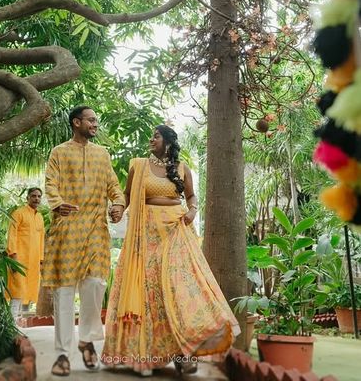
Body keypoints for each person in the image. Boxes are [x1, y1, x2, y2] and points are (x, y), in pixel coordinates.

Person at [102, 125, 240, 377]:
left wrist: (192, 211)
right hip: (145, 233)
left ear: (167, 141)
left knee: (180, 289)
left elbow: (192, 197)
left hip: (176, 231)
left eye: (155, 136)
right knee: (148, 290)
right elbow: (126, 194)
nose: (151, 139)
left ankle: (184, 352)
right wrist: (119, 209)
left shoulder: (181, 167)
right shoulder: (138, 165)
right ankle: (144, 355)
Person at [42, 105, 125, 377]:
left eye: (96, 121)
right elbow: (50, 183)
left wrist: (118, 204)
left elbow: (114, 185)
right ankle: (63, 354)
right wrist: (57, 203)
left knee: (95, 286)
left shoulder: (102, 155)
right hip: (67, 229)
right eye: (90, 120)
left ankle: (86, 340)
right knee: (64, 293)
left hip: (95, 231)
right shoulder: (59, 152)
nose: (95, 124)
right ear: (76, 123)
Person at [6, 187, 45, 321]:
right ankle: (11, 325)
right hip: (19, 259)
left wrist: (41, 260)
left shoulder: (39, 217)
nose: (36, 199)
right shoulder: (19, 213)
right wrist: (13, 256)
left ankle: (22, 326)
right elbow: (12, 234)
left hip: (34, 261)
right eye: (33, 196)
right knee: (17, 292)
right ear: (27, 198)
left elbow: (41, 239)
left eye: (39, 196)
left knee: (29, 292)